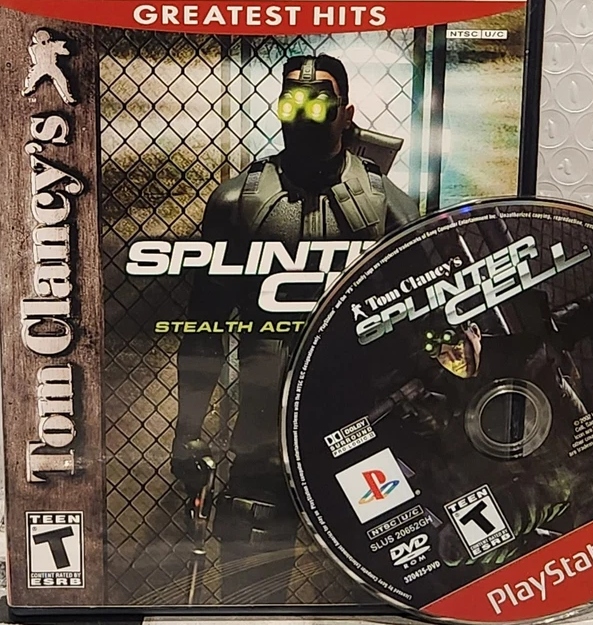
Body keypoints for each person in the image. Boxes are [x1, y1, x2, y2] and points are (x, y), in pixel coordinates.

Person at [171, 54, 419, 603]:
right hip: (265, 424)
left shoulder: (386, 205)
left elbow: (424, 319)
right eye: (293, 102)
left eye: (321, 102)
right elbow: (205, 327)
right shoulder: (239, 203)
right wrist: (188, 429)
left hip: (360, 422)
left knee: (383, 587)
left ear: (347, 113)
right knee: (250, 596)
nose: (305, 115)